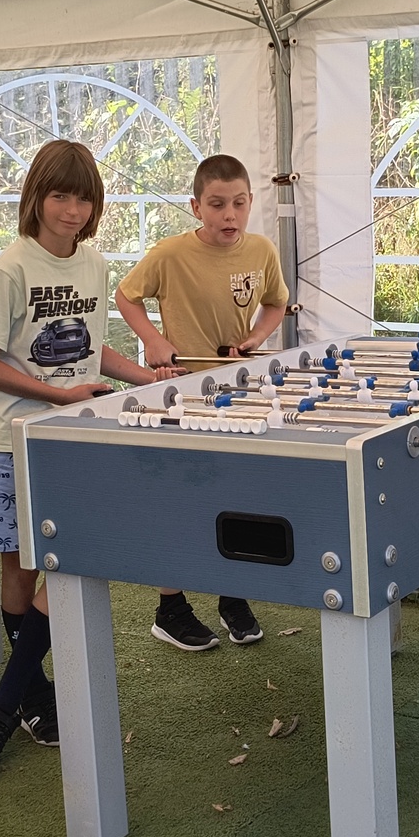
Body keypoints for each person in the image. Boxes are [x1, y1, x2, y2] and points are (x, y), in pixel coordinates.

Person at [0, 139, 175, 777]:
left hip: (72, 438)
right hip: (8, 439)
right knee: (22, 569)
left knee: (66, 563)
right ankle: (30, 697)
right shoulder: (10, 269)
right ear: (36, 197)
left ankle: (1, 706)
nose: (72, 210)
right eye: (60, 196)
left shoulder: (95, 265)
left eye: (84, 199)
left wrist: (149, 378)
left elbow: (91, 349)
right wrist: (57, 394)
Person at [115, 153, 289, 649]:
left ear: (250, 203)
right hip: (181, 395)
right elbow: (126, 296)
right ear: (196, 207)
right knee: (178, 502)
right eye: (217, 204)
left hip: (237, 394)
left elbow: (276, 302)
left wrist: (255, 339)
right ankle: (170, 609)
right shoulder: (169, 254)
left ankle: (233, 596)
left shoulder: (262, 251)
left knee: (238, 497)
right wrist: (153, 340)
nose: (229, 215)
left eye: (239, 203)